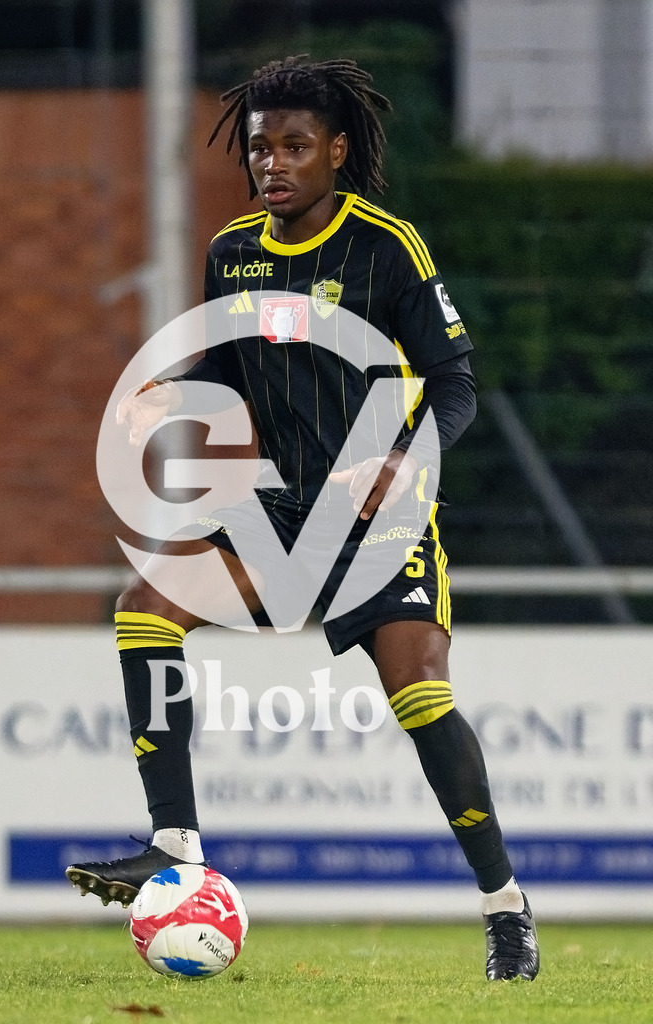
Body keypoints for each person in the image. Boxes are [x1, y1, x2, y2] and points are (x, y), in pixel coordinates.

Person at [67, 56, 539, 981]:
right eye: (258, 148)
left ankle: (504, 907)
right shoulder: (233, 250)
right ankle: (176, 848)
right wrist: (169, 395)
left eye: (292, 146)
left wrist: (406, 461)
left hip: (380, 517)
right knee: (145, 605)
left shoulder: (388, 248)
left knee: (422, 696)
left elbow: (454, 383)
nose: (271, 164)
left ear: (338, 149)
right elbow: (230, 371)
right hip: (282, 510)